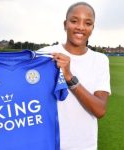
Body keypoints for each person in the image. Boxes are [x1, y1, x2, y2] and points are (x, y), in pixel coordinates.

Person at [38, 2, 111, 150]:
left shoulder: (100, 60)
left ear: (92, 28)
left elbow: (100, 110)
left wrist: (69, 77)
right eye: (74, 21)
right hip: (49, 144)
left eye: (88, 23)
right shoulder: (45, 54)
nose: (80, 27)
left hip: (84, 146)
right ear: (65, 24)